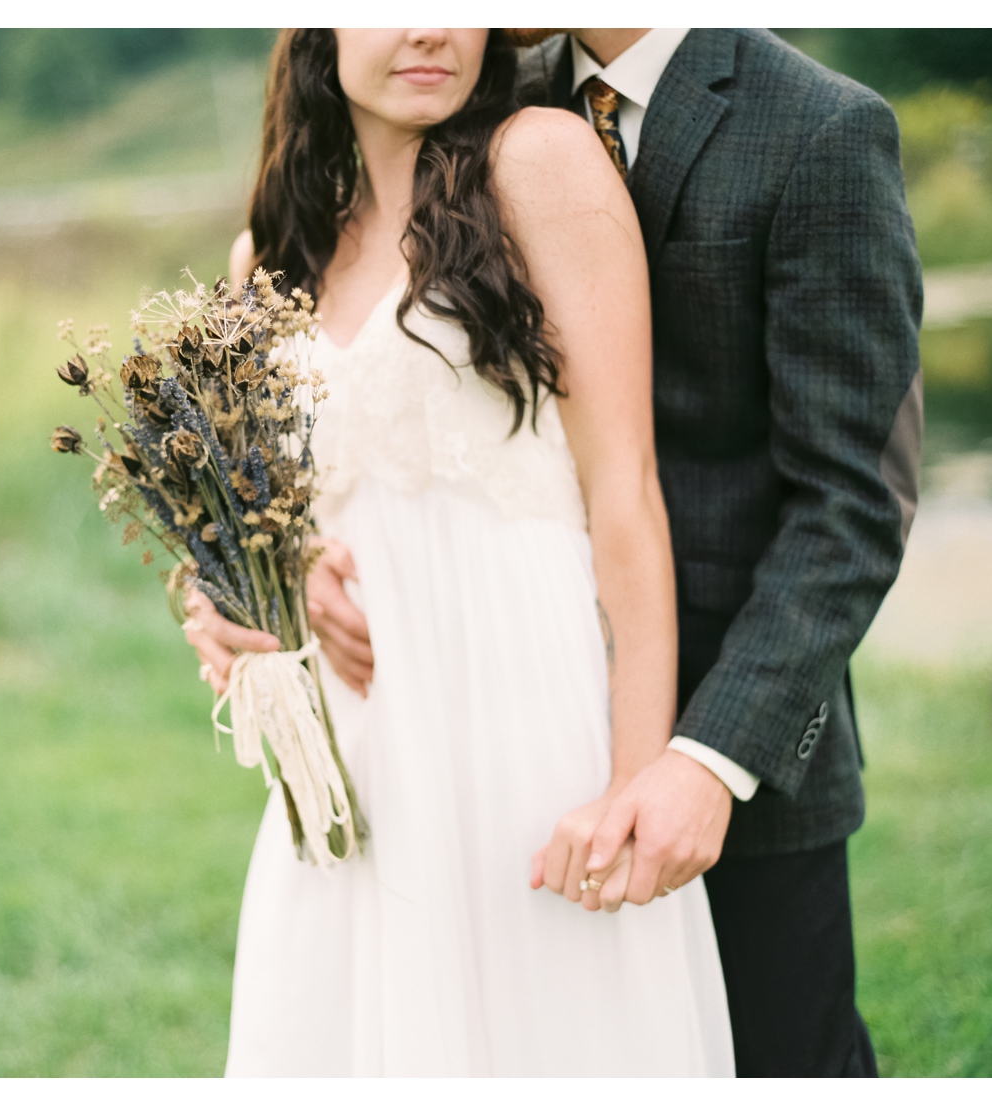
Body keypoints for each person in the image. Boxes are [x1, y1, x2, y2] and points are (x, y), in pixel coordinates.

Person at [270, 28, 926, 1077]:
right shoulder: (478, 98)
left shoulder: (817, 127)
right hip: (485, 738)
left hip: (738, 720)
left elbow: (851, 502)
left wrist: (702, 759)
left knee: (779, 1060)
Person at [185, 28, 734, 1076]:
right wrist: (267, 584)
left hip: (525, 715)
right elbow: (256, 517)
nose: (432, 25)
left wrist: (636, 774)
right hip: (362, 752)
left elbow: (623, 491)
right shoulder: (269, 254)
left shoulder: (538, 160)